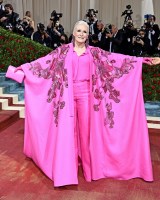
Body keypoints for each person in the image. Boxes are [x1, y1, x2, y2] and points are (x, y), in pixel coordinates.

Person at [6, 20, 154, 187]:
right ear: (74, 32)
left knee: (85, 132)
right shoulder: (62, 52)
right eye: (79, 30)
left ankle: (88, 168)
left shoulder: (94, 53)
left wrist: (140, 61)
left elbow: (115, 60)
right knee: (68, 131)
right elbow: (44, 63)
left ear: (87, 35)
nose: (81, 34)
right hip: (66, 97)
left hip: (86, 97)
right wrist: (22, 70)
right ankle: (67, 167)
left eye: (84, 31)